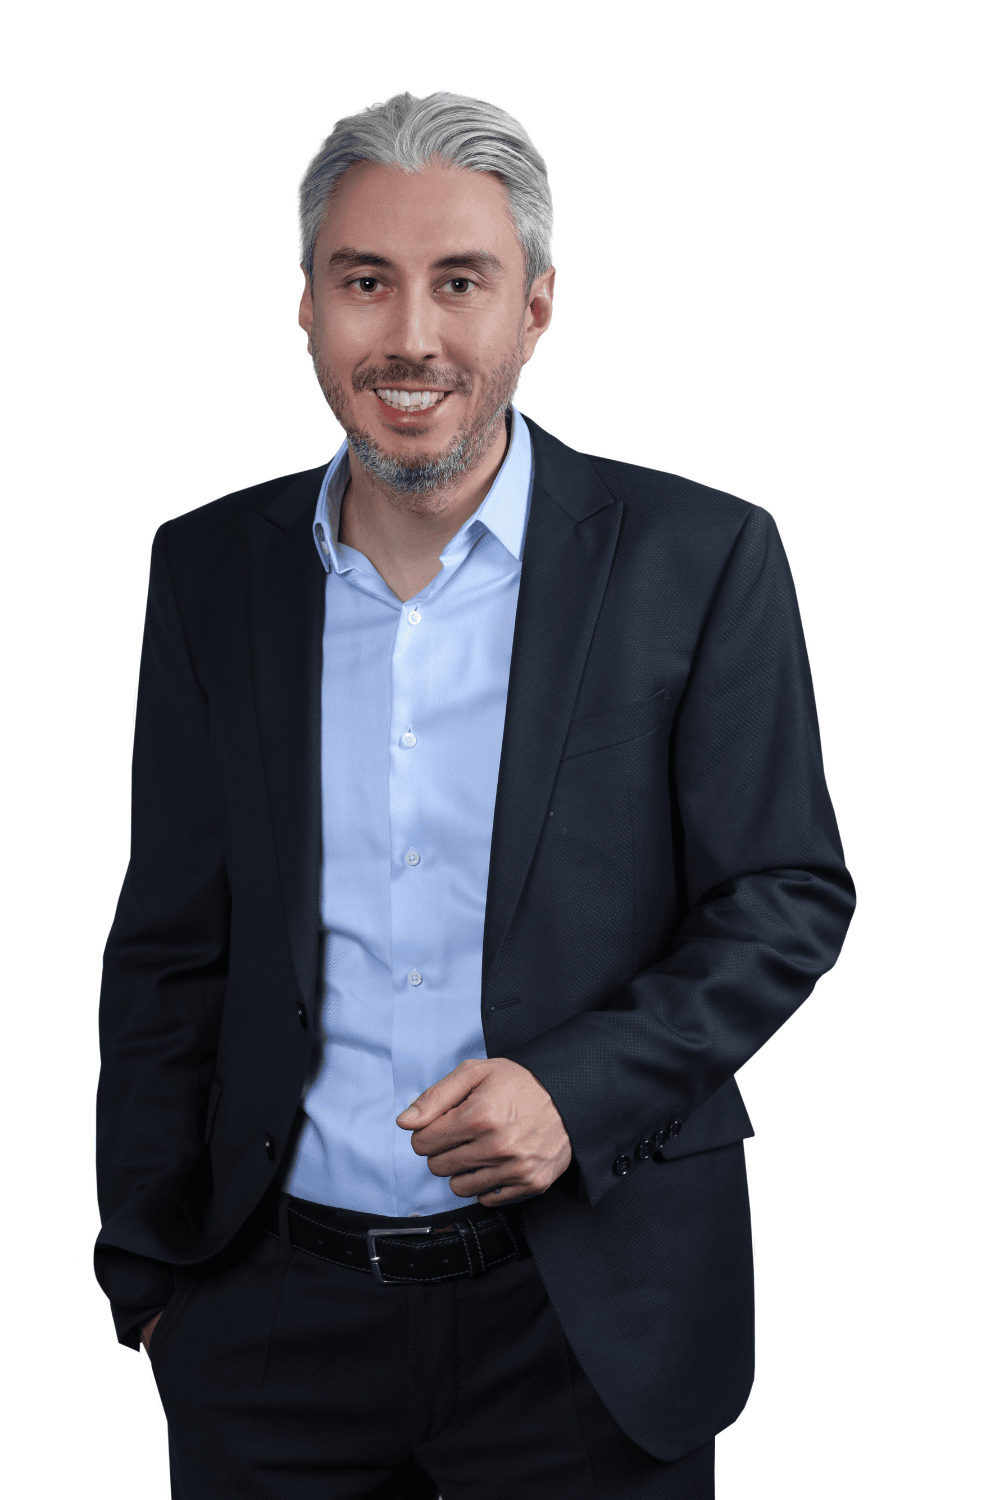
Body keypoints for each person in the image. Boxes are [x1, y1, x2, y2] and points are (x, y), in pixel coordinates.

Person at [95, 91, 855, 1499]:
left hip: (588, 1318)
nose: (411, 336)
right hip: (268, 1324)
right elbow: (172, 939)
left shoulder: (698, 558)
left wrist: (576, 1089)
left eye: (461, 282)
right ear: (308, 306)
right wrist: (149, 1266)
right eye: (364, 281)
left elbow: (783, 895)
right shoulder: (210, 570)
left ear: (535, 307)